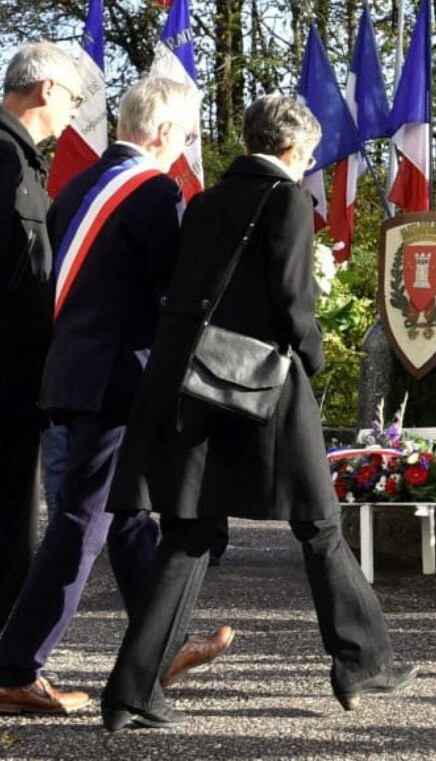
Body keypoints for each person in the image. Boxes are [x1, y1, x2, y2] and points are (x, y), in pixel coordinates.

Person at [101, 93, 415, 731]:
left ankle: (132, 691)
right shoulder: (289, 201)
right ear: (294, 151)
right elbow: (294, 301)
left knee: (187, 532)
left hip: (190, 383)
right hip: (265, 386)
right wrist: (317, 357)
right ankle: (361, 660)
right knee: (318, 525)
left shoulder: (204, 203)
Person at [0, 77, 232, 718]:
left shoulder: (74, 186)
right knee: (83, 519)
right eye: (185, 137)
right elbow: (174, 293)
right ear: (162, 133)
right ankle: (15, 666)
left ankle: (161, 646)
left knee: (126, 515)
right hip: (116, 381)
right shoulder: (154, 191)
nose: (184, 149)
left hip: (71, 373)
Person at [0, 43, 82, 628]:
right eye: (73, 98)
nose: (74, 112)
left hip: (21, 374)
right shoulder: (4, 157)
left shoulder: (22, 159)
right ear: (46, 90)